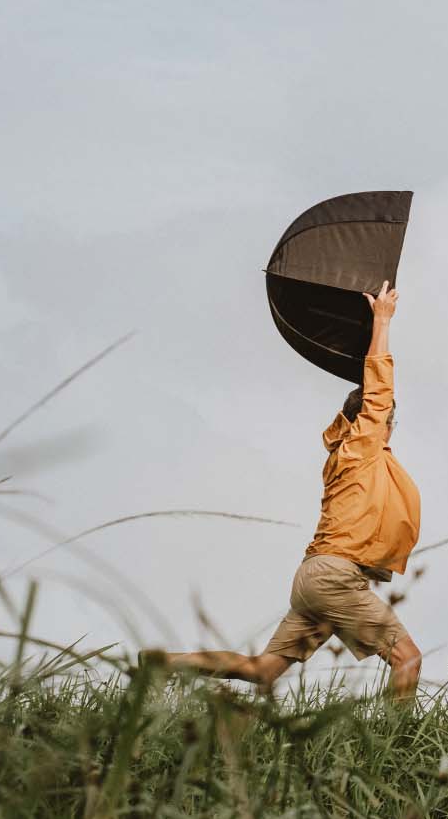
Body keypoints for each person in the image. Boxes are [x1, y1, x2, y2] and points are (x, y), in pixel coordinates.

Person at [150, 281, 422, 700]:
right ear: (374, 421)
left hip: (314, 575)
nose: (388, 424)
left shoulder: (348, 457)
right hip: (334, 576)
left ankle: (163, 664)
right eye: (385, 418)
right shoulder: (362, 446)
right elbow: (378, 388)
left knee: (262, 671)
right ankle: (398, 752)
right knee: (407, 659)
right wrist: (381, 320)